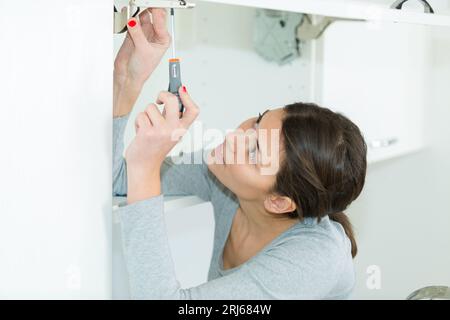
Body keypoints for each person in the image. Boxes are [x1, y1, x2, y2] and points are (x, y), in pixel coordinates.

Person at [113, 8, 367, 299]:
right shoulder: (225, 176)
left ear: (278, 201)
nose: (235, 137)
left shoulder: (313, 261)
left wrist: (147, 166)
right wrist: (126, 80)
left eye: (254, 152)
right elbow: (119, 180)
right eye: (258, 121)